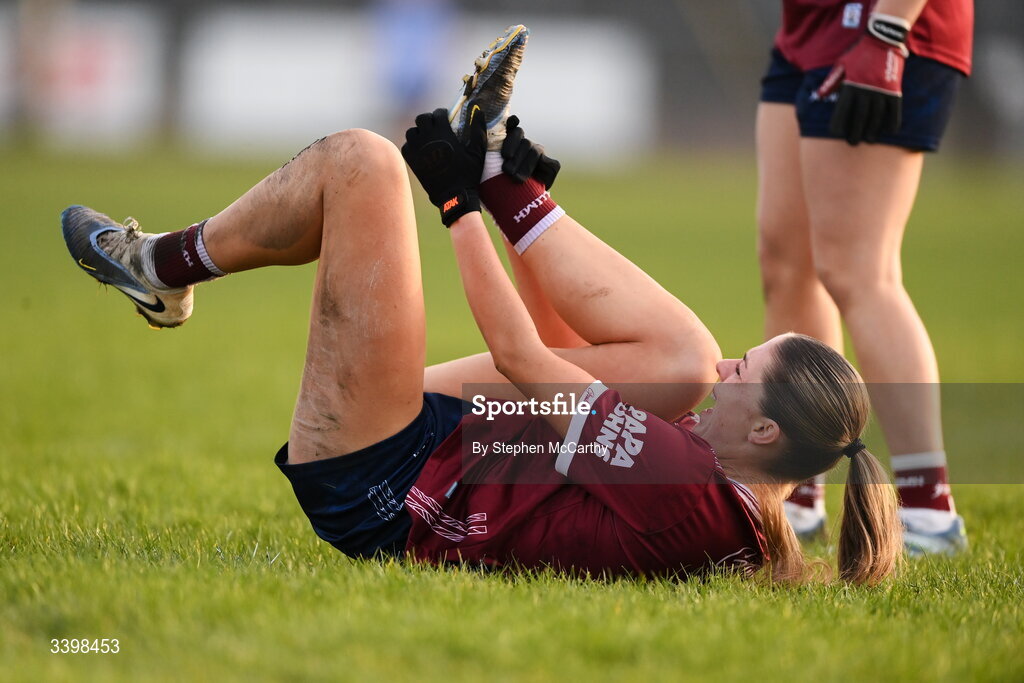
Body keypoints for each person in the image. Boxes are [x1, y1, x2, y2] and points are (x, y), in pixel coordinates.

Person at [61, 26, 901, 583]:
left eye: (746, 373)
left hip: (384, 486)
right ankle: (512, 179)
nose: (729, 368)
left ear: (766, 431)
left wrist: (456, 203)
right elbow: (558, 361)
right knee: (680, 354)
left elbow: (522, 358)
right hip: (449, 451)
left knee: (363, 164)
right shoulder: (730, 496)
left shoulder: (686, 478)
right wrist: (502, 194)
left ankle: (161, 263)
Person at [756, 0, 972, 553]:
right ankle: (801, 486)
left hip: (884, 25)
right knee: (787, 265)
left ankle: (929, 509)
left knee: (858, 269)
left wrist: (889, 28)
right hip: (808, 27)